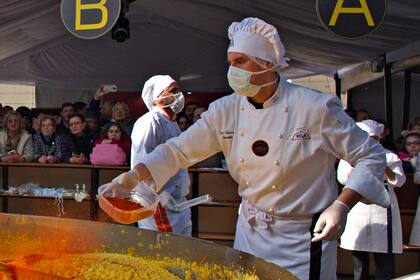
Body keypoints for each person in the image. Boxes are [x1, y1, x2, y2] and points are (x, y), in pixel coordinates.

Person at [104, 18, 388, 279]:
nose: (232, 70)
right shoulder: (225, 110)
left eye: (240, 61)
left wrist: (341, 205)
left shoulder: (315, 107)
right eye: (230, 62)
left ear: (266, 63)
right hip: (250, 233)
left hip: (303, 238)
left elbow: (371, 156)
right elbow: (178, 150)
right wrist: (132, 177)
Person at [337, 120, 406, 280]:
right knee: (359, 261)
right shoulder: (348, 156)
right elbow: (342, 178)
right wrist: (357, 169)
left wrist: (384, 167)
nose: (371, 142)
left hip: (382, 208)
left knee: (384, 259)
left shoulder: (389, 155)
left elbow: (400, 181)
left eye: (374, 138)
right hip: (357, 206)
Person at [129, 75, 191, 236]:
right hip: (158, 202)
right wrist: (160, 193)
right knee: (165, 251)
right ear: (158, 97)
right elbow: (141, 162)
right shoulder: (149, 122)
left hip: (177, 201)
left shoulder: (173, 122)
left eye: (178, 90)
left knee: (182, 251)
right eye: (173, 91)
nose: (179, 95)